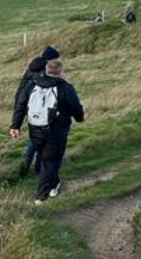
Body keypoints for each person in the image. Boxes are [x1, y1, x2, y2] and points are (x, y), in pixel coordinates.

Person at [10, 58, 85, 204]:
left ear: (46, 70)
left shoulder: (32, 84)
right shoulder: (65, 87)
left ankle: (54, 184)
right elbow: (76, 106)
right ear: (60, 72)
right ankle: (41, 196)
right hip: (57, 131)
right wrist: (79, 118)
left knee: (46, 159)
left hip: (35, 129)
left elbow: (21, 105)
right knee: (50, 161)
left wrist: (15, 126)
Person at [12, 44, 60, 177]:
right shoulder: (44, 72)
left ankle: (27, 161)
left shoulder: (33, 68)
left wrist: (16, 122)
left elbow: (22, 94)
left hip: (27, 107)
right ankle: (39, 166)